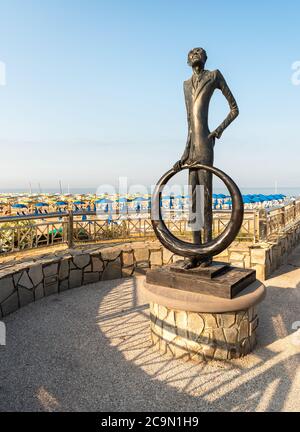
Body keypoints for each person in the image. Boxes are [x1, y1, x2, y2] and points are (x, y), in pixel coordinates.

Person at [173, 47, 239, 269]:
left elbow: (234, 109)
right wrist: (184, 153)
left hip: (205, 146)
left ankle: (208, 253)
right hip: (192, 149)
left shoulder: (214, 76)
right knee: (194, 203)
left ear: (205, 57)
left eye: (198, 52)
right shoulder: (185, 85)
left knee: (206, 201)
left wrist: (217, 131)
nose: (194, 55)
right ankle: (195, 252)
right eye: (191, 53)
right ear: (187, 60)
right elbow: (189, 124)